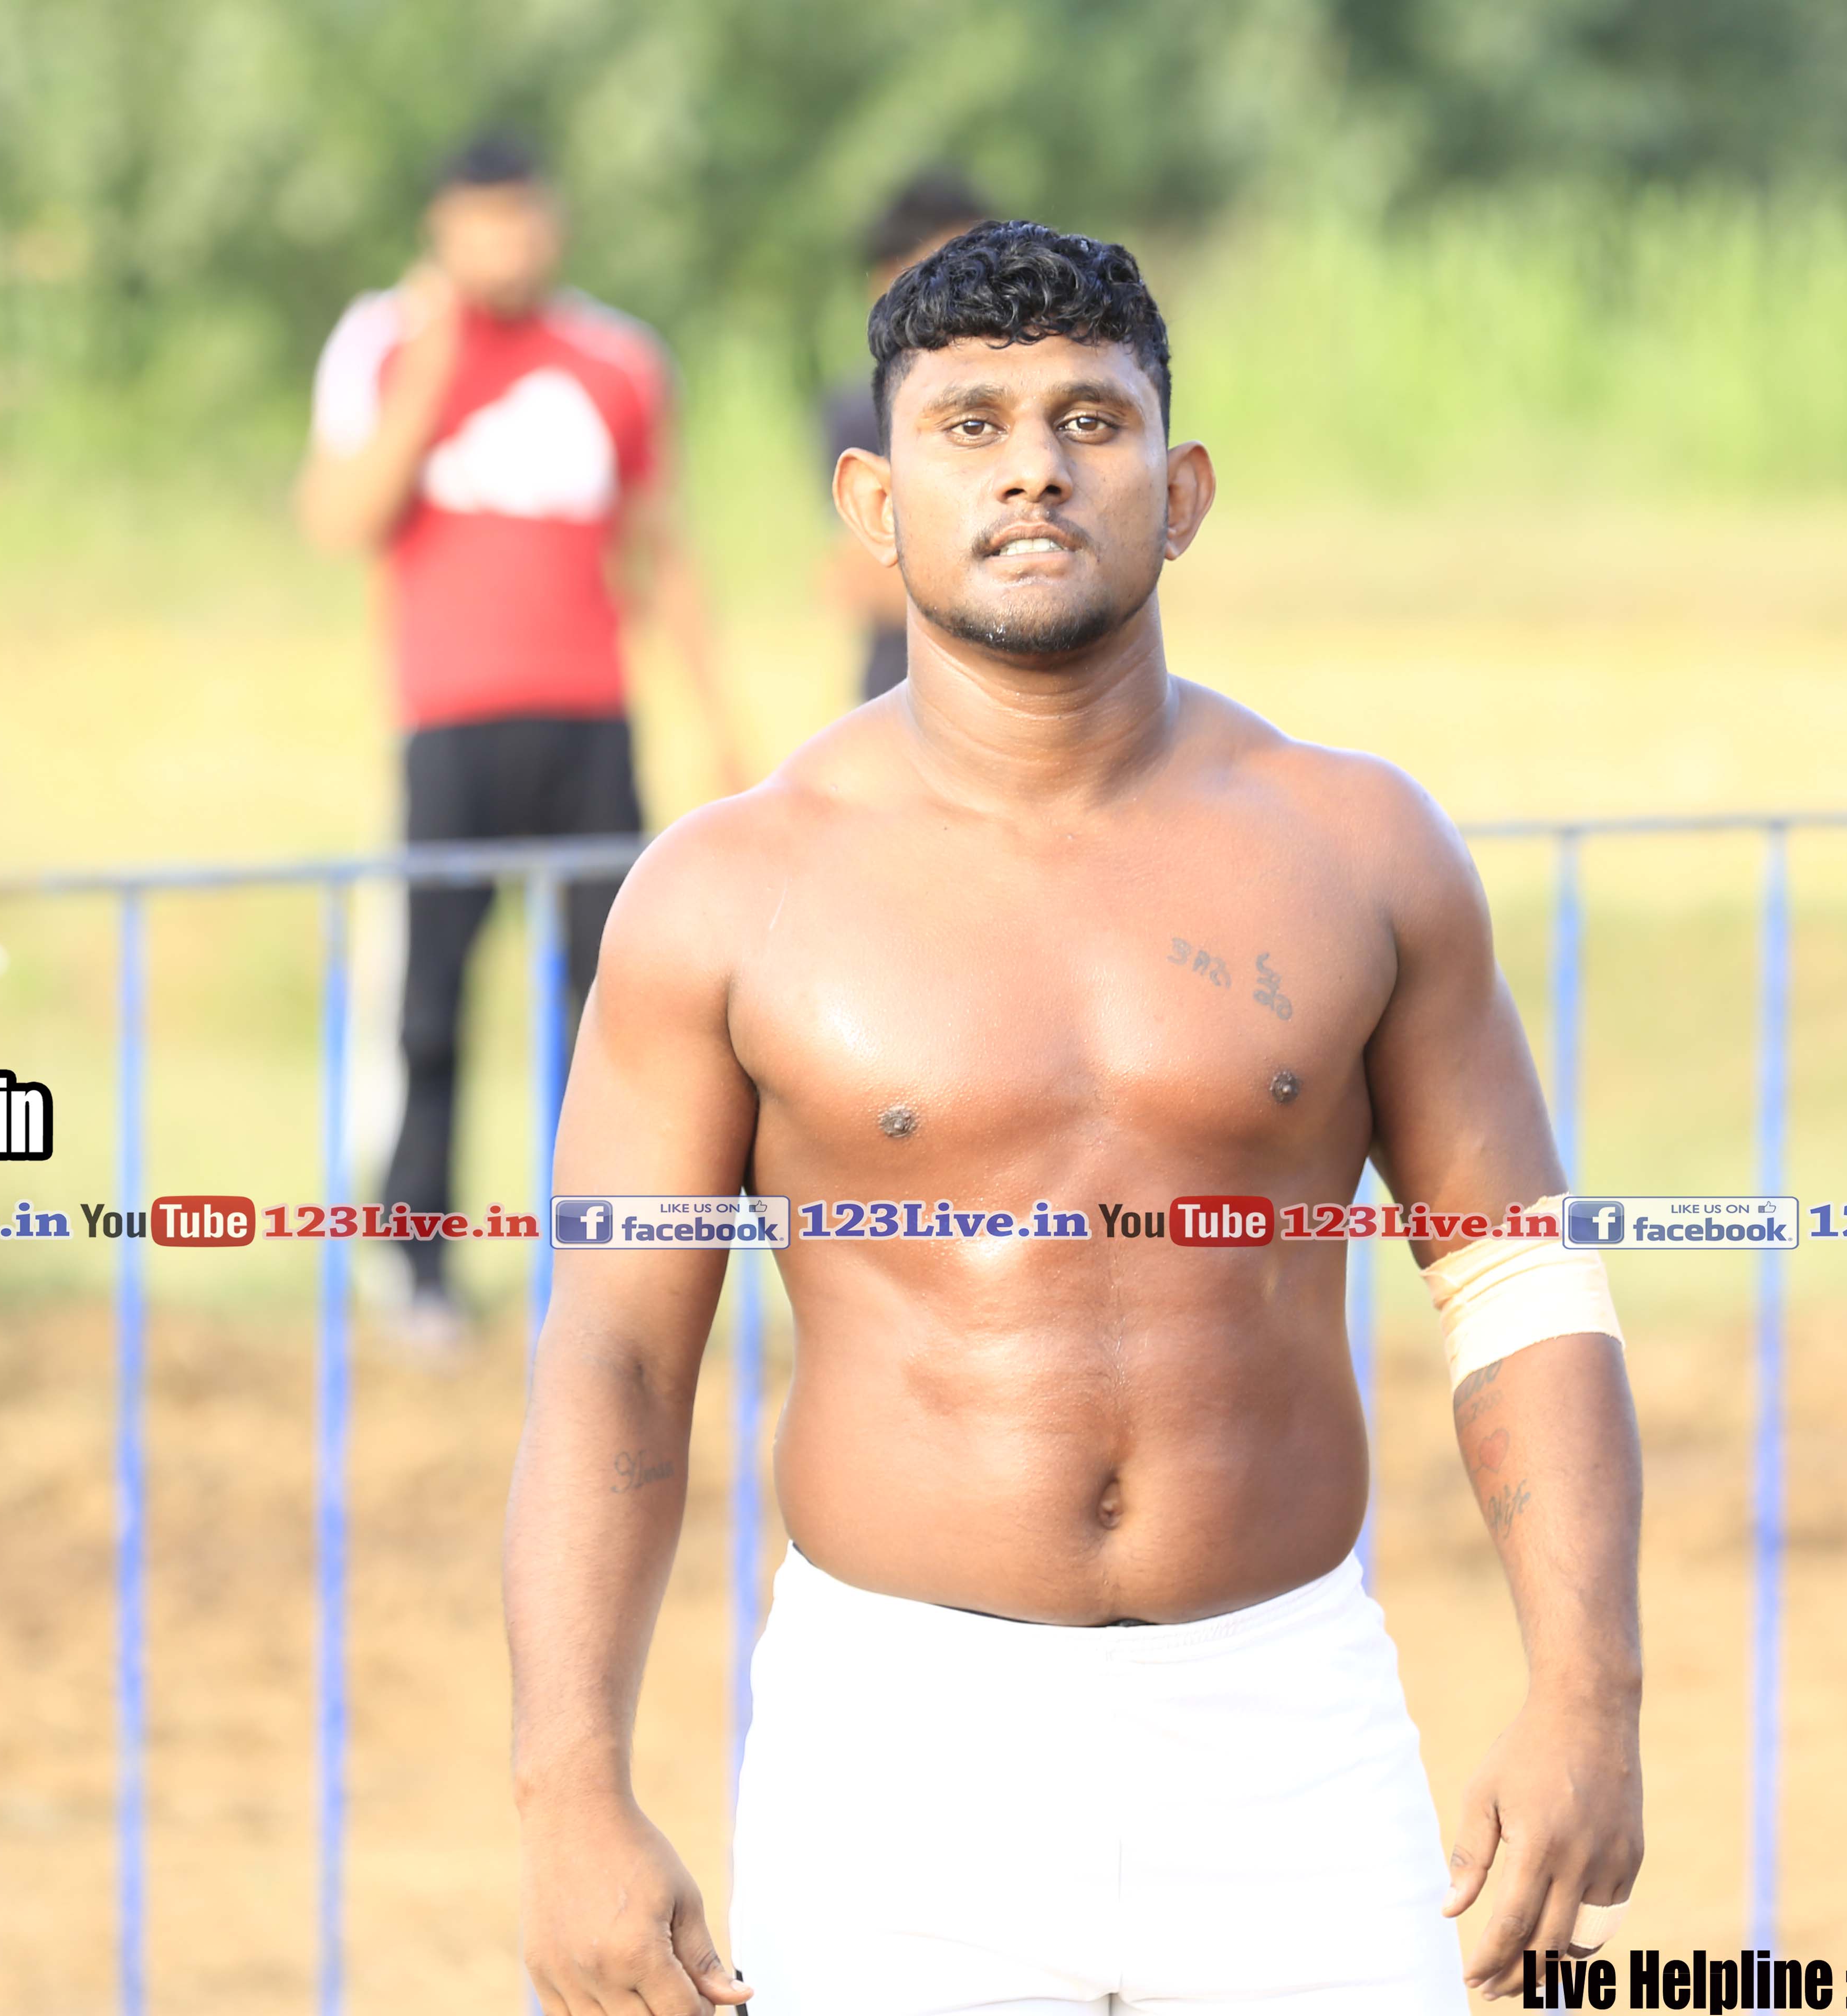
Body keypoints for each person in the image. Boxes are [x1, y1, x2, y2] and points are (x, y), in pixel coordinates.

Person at [503, 223, 1642, 2014]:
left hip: (1286, 1721)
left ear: (1180, 493)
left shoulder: (1357, 848)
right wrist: (567, 1792)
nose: (1033, 467)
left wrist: (1590, 1695)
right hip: (895, 1750)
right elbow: (617, 1357)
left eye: (1089, 421)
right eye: (970, 425)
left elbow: (1519, 1287)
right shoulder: (730, 895)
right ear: (874, 504)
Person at [297, 132, 744, 1346]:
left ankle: (605, 1261)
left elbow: (659, 546)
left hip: (589, 719)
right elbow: (339, 516)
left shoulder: (617, 358)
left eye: (523, 217)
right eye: (481, 222)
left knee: (619, 1004)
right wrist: (435, 365)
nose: (506, 243)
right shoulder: (382, 342)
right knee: (430, 1002)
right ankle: (416, 1260)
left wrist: (716, 722)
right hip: (448, 722)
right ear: (443, 229)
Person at [820, 171, 990, 702]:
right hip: (907, 690)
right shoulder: (863, 410)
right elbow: (860, 578)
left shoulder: (1037, 393)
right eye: (943, 274)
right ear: (886, 283)